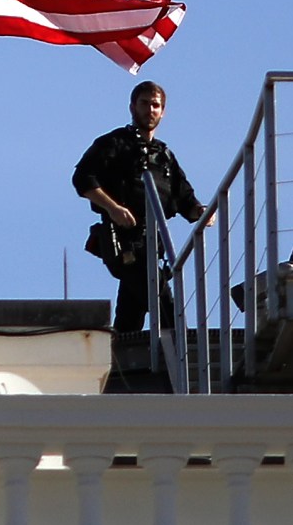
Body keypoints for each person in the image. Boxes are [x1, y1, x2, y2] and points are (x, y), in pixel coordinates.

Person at [72, 79, 205, 335]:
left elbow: (184, 196)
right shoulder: (114, 144)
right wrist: (112, 208)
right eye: (145, 103)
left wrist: (200, 212)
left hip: (153, 244)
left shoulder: (164, 155)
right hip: (123, 242)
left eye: (156, 105)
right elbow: (83, 179)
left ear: (163, 112)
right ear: (133, 107)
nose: (150, 110)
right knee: (163, 301)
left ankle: (118, 362)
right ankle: (183, 354)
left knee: (130, 312)